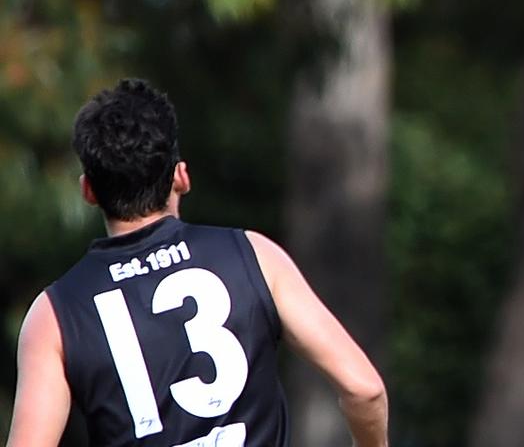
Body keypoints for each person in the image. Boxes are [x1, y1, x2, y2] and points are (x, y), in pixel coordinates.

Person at [6, 79, 389, 447]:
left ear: (88, 190)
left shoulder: (54, 316)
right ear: (181, 176)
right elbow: (365, 390)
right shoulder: (254, 255)